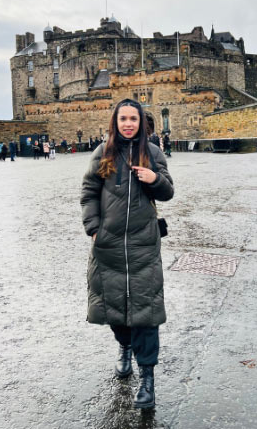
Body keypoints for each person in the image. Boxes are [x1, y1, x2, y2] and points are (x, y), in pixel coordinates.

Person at [80, 98, 174, 410]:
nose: (128, 124)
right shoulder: (103, 151)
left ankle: (147, 378)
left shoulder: (154, 152)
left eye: (134, 118)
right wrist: (93, 227)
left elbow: (168, 191)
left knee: (145, 313)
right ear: (116, 122)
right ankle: (124, 346)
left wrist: (155, 179)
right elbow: (89, 192)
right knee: (113, 307)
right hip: (108, 246)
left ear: (141, 122)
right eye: (123, 119)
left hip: (143, 244)